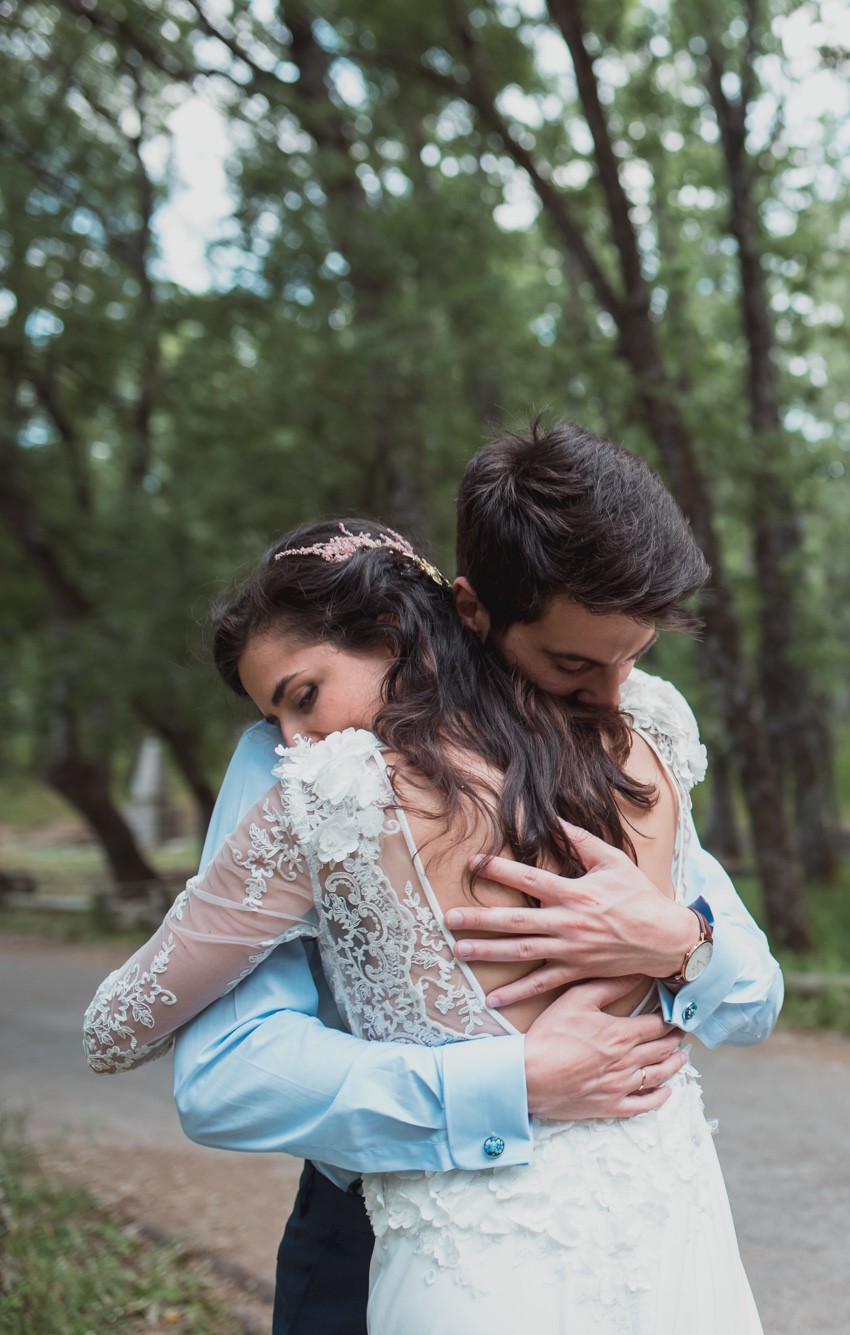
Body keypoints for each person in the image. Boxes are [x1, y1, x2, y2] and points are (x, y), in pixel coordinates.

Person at [85, 511, 763, 1331]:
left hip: (603, 1235)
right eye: (276, 717)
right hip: (444, 1221)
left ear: (393, 629)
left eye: (302, 699)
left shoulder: (596, 729)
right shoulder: (309, 778)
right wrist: (505, 1082)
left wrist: (677, 942)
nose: (291, 740)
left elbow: (752, 992)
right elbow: (225, 1075)